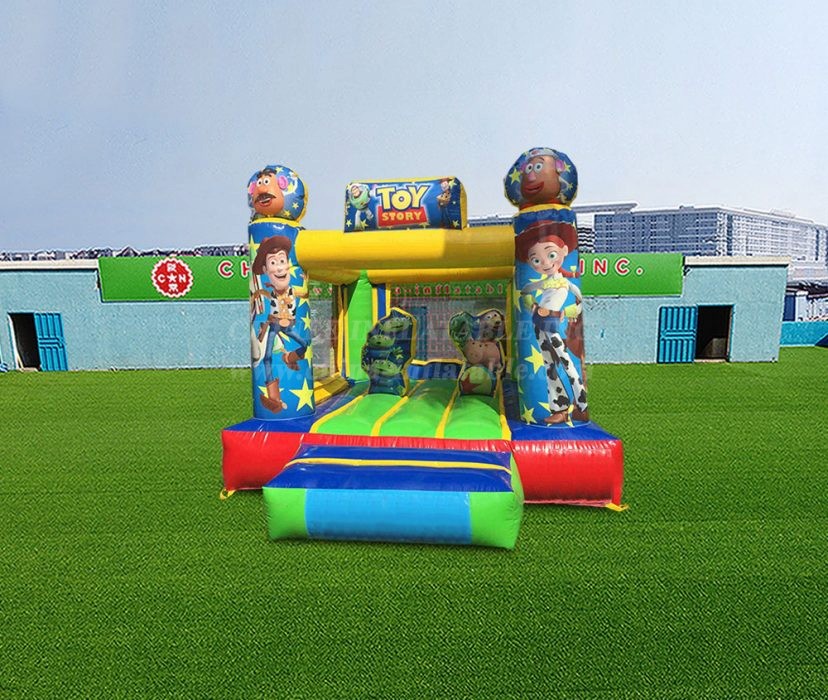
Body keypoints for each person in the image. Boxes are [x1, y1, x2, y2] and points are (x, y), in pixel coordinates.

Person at [516, 220, 588, 423]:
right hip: (539, 321)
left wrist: (567, 311)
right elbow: (526, 291)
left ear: (563, 251)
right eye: (536, 260)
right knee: (549, 364)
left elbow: (580, 300)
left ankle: (581, 402)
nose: (545, 263)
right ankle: (559, 407)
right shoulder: (544, 282)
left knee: (565, 360)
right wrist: (532, 304)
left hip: (552, 321)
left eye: (551, 255)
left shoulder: (565, 282)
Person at [250, 235, 309, 412]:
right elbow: (262, 293)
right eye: (273, 263)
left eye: (282, 261)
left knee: (304, 344)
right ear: (266, 269)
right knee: (267, 357)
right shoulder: (271, 291)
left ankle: (289, 358)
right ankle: (274, 398)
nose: (279, 268)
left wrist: (305, 279)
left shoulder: (292, 290)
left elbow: (305, 293)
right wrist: (256, 296)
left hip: (288, 325)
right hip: (274, 325)